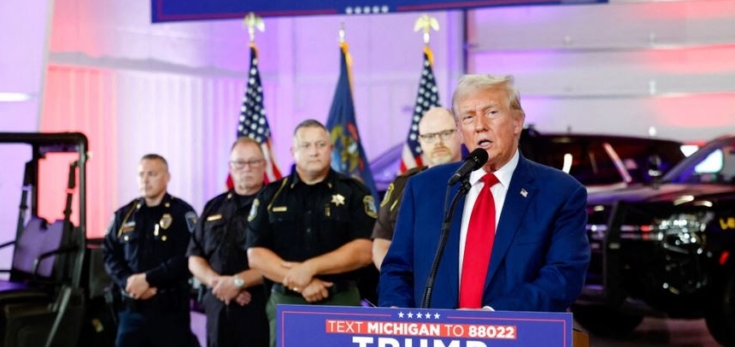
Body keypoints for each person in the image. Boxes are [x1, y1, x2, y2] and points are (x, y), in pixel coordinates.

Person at [379, 74, 590, 311]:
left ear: (517, 122)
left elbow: (563, 276)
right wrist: (396, 315)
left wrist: (491, 318)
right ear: (460, 130)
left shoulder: (560, 192)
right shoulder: (424, 188)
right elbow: (397, 269)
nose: (480, 125)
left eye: (491, 113)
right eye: (468, 117)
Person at [246, 119, 376, 347]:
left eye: (320, 144)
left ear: (331, 149)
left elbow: (364, 250)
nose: (313, 152)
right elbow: (256, 255)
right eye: (305, 146)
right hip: (287, 301)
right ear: (293, 151)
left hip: (341, 300)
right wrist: (302, 282)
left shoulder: (354, 192)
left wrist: (309, 268)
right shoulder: (271, 195)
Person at [102, 154, 198, 347]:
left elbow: (186, 257)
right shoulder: (125, 214)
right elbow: (109, 254)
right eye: (141, 174)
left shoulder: (182, 213)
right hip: (131, 309)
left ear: (167, 177)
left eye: (152, 174)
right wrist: (128, 281)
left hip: (169, 311)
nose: (145, 180)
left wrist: (147, 279)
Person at [188, 137, 269, 347]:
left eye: (253, 162)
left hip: (259, 307)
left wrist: (237, 283)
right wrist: (220, 284)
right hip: (218, 307)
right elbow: (194, 258)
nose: (247, 168)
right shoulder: (214, 206)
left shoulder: (276, 205)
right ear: (230, 168)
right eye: (240, 163)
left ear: (264, 165)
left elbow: (285, 258)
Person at [372, 107, 463, 269]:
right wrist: (399, 280)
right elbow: (381, 243)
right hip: (408, 288)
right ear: (420, 141)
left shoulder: (479, 181)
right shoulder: (402, 184)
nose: (438, 142)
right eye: (429, 137)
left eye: (446, 133)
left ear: (460, 134)